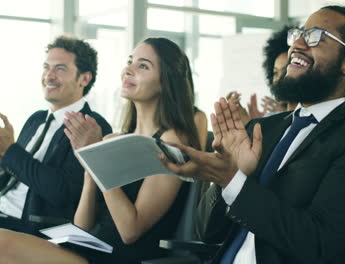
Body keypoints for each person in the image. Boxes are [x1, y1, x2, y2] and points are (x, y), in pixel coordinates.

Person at [162, 5, 345, 263]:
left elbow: (316, 242)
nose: (297, 44)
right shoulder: (264, 129)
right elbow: (206, 232)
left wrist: (233, 182)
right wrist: (227, 175)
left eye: (315, 36)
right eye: (298, 34)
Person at [0, 37, 200, 263]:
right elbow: (82, 225)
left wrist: (99, 160)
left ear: (166, 81)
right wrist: (90, 162)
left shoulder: (170, 140)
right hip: (89, 245)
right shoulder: (114, 138)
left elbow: (130, 231)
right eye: (130, 61)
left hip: (121, 256)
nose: (128, 70)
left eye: (142, 66)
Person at [0, 36, 112, 234]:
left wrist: (10, 151)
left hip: (29, 227)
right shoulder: (36, 119)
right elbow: (14, 174)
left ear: (85, 78)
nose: (49, 76)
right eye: (46, 67)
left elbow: (63, 192)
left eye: (60, 69)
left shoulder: (92, 126)